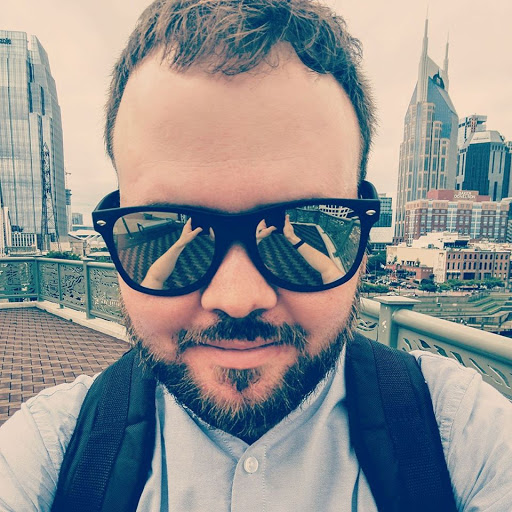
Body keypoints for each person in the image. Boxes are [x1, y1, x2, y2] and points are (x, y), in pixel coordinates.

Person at [1, 0, 511, 510]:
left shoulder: (459, 434)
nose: (237, 299)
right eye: (173, 217)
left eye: (304, 210)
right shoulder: (52, 448)